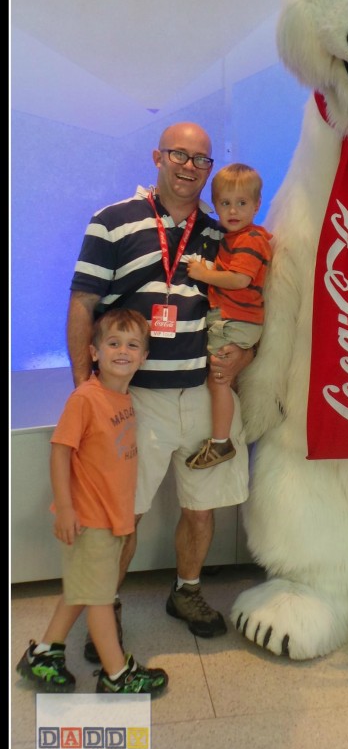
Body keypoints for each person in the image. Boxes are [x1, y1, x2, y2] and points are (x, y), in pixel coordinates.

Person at [66, 122, 253, 661]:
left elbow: (250, 307)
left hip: (203, 392)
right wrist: (86, 392)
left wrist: (246, 355)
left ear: (209, 169)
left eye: (201, 159)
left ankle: (187, 592)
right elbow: (82, 306)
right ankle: (106, 606)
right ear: (158, 156)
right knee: (122, 513)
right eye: (179, 154)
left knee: (201, 508)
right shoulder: (112, 222)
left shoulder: (222, 236)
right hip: (133, 398)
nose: (189, 166)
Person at [16, 309, 169, 696]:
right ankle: (117, 674)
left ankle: (45, 654)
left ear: (144, 356)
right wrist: (66, 508)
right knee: (99, 598)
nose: (123, 351)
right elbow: (60, 451)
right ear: (94, 352)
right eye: (113, 343)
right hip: (89, 519)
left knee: (83, 589)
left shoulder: (124, 397)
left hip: (112, 517)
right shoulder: (86, 398)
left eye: (133, 345)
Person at [184, 163, 272, 469]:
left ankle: (221, 443)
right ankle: (227, 434)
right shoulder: (235, 238)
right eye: (225, 203)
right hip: (233, 318)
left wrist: (203, 273)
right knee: (223, 380)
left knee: (218, 379)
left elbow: (240, 280)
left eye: (242, 203)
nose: (233, 211)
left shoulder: (250, 239)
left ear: (257, 205)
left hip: (237, 320)